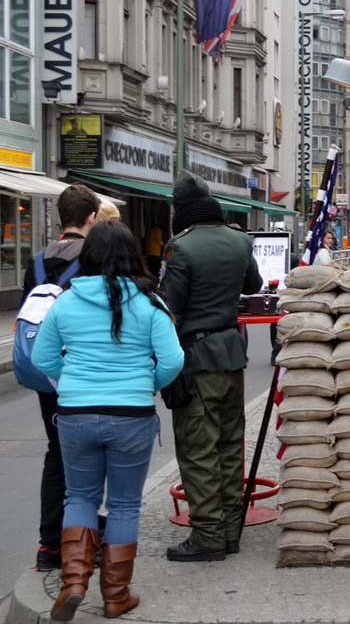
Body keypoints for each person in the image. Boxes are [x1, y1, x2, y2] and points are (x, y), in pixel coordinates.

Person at [31, 221, 184, 621]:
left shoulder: (65, 301)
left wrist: (74, 385)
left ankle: (74, 582)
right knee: (123, 506)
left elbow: (42, 359)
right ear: (132, 254)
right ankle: (116, 595)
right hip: (131, 416)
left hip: (76, 416)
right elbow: (173, 360)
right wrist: (144, 384)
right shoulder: (151, 303)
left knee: (78, 497)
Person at [159, 170, 263, 561]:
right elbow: (252, 286)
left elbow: (171, 307)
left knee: (198, 449)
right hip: (231, 354)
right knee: (227, 446)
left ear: (180, 209)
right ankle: (230, 531)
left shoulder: (179, 248)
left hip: (195, 359)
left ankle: (207, 537)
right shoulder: (240, 240)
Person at [20, 184, 100, 572]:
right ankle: (83, 539)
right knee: (87, 455)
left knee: (58, 453)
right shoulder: (95, 257)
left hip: (43, 368)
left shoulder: (37, 259)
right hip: (82, 370)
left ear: (58, 218)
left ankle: (49, 544)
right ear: (92, 218)